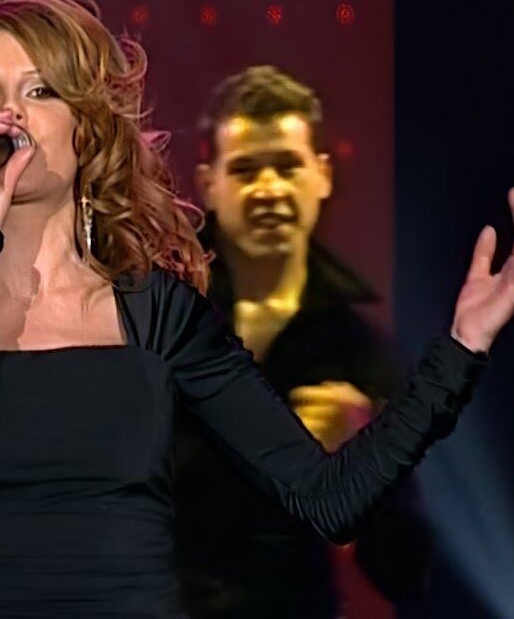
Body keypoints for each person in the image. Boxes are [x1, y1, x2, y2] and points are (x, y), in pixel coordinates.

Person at [0, 0, 514, 618]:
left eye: (42, 91)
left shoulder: (156, 314)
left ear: (86, 126)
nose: (8, 114)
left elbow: (327, 498)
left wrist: (461, 349)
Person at [174, 65, 434, 618]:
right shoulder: (153, 325)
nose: (269, 189)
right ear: (209, 184)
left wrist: (364, 455)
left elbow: (407, 572)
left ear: (322, 176)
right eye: (245, 169)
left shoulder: (362, 355)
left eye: (287, 167)